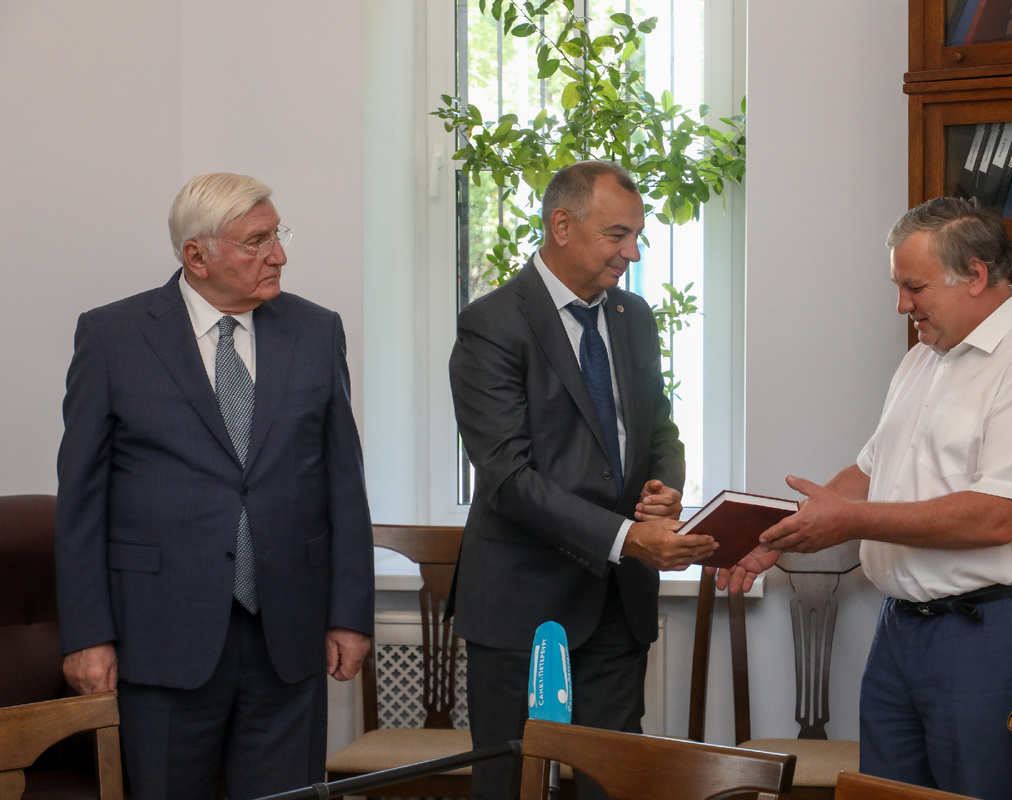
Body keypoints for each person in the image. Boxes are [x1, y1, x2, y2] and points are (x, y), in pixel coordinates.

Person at [720, 196, 1012, 800]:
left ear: (975, 275)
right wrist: (772, 539)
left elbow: (995, 518)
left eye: (914, 287)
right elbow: (870, 471)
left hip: (991, 632)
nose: (901, 305)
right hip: (902, 631)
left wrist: (847, 523)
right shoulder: (925, 359)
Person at [55, 172, 375, 799]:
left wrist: (349, 613)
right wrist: (88, 634)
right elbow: (81, 500)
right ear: (196, 256)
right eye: (256, 241)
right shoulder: (112, 336)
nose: (278, 254)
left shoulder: (316, 331)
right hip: (160, 637)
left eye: (277, 235)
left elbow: (344, 482)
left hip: (289, 634)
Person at [448, 160, 717, 800]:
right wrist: (626, 537)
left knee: (614, 785)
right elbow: (509, 478)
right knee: (510, 786)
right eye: (617, 234)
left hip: (617, 609)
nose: (632, 251)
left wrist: (664, 487)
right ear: (561, 225)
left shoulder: (633, 315)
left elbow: (659, 432)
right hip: (520, 604)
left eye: (636, 235)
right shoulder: (492, 324)